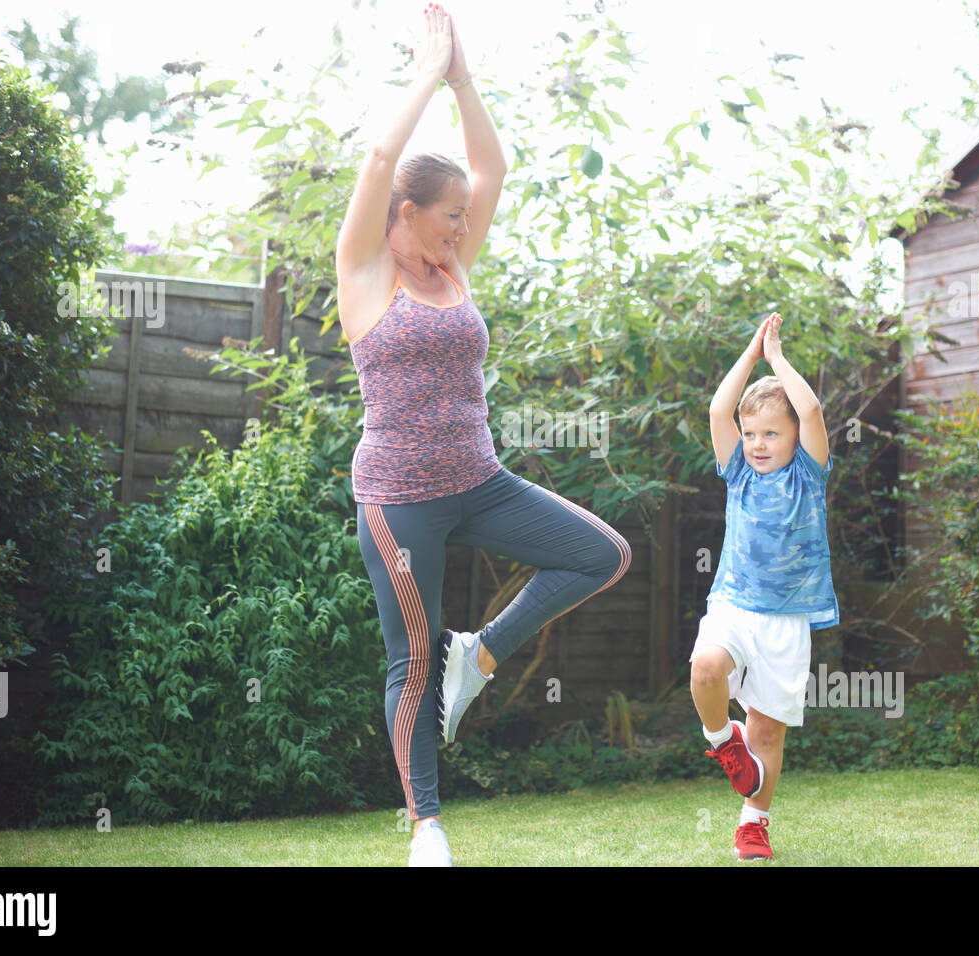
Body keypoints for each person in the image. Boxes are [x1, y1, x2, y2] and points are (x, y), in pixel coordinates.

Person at [334, 3, 631, 868]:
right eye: (448, 216)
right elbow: (381, 157)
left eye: (466, 217)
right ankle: (427, 826)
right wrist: (426, 73)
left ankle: (485, 652)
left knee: (600, 554)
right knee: (411, 659)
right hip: (399, 499)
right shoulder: (363, 272)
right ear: (404, 214)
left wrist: (465, 78)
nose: (464, 228)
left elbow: (493, 164)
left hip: (482, 481)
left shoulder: (454, 268)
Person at [690, 312, 839, 861]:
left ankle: (754, 822)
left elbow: (813, 408)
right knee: (705, 668)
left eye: (771, 433)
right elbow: (716, 409)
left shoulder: (810, 473)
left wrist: (778, 359)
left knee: (768, 734)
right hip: (733, 602)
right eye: (751, 433)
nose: (756, 443)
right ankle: (721, 741)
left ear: (797, 437)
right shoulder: (738, 472)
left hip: (787, 618)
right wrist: (751, 354)